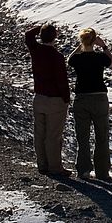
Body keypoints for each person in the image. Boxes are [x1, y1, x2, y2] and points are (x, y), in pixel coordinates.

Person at [24, 23, 72, 177]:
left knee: (40, 133)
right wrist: (66, 98)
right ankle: (55, 167)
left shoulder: (36, 50)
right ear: (55, 37)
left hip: (39, 98)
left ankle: (42, 165)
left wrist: (39, 28)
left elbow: (28, 36)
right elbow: (61, 81)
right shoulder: (57, 57)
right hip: (55, 100)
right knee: (53, 135)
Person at [68, 28, 112, 180]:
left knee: (82, 136)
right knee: (102, 135)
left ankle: (84, 170)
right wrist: (104, 46)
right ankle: (102, 171)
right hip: (99, 98)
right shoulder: (100, 57)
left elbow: (69, 59)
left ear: (82, 41)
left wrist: (80, 46)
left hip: (81, 98)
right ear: (94, 41)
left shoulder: (78, 59)